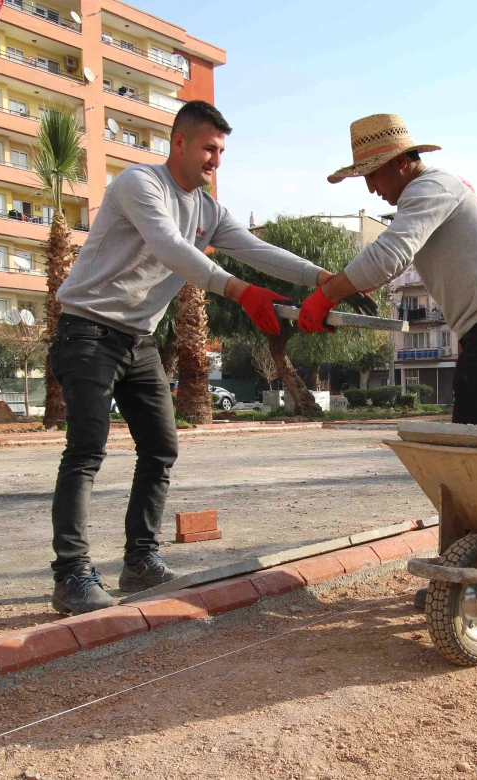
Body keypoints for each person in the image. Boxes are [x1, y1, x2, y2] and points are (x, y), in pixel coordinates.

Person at [47, 100, 332, 615]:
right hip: (87, 330)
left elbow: (256, 250)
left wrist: (325, 280)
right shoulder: (140, 185)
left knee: (160, 448)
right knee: (87, 451)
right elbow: (170, 247)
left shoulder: (208, 209)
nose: (215, 160)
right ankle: (70, 575)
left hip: (138, 339)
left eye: (222, 151)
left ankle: (139, 561)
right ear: (178, 142)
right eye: (208, 147)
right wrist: (239, 291)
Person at [301, 114, 477, 607]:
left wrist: (326, 295)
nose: (371, 187)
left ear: (400, 163)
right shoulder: (447, 186)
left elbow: (388, 257)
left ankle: (466, 588)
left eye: (372, 174)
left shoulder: (427, 188)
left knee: (471, 473)